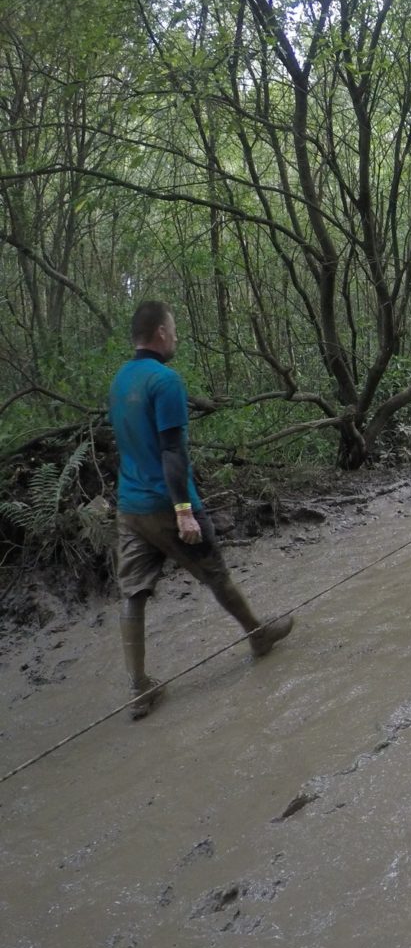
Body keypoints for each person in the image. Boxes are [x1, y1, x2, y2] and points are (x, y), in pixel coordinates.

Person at [109, 300, 294, 719]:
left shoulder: (120, 381)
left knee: (132, 593)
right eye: (173, 329)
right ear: (158, 333)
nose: (176, 336)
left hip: (130, 506)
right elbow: (172, 451)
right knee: (216, 574)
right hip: (166, 503)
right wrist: (183, 510)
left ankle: (139, 688)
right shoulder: (165, 381)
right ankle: (259, 635)